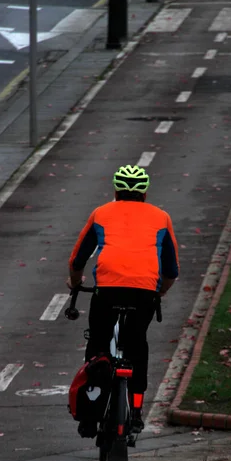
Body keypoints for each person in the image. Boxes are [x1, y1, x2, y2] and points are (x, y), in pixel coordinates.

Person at [67, 165, 179, 437]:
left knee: (97, 343)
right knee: (137, 344)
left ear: (116, 190)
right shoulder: (161, 217)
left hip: (107, 291)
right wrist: (160, 291)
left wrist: (75, 282)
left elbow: (78, 260)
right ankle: (137, 411)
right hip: (144, 293)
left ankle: (91, 415)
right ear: (145, 192)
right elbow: (171, 270)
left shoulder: (101, 214)